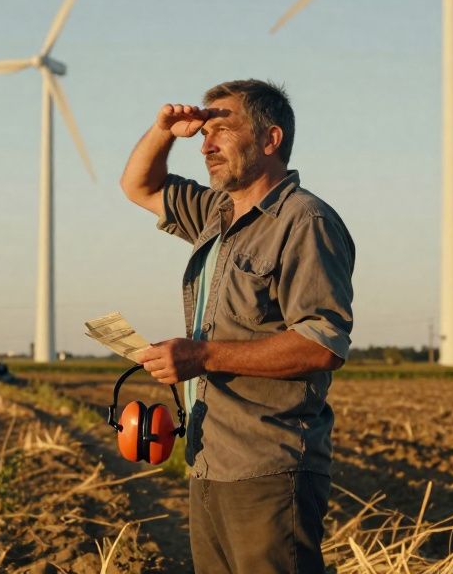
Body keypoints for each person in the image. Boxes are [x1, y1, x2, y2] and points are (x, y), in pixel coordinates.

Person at [120, 79, 354, 574]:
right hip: (210, 458)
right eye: (203, 135)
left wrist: (202, 357)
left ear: (270, 140)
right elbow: (138, 185)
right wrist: (164, 130)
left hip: (270, 465)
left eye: (221, 130)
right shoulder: (216, 213)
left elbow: (321, 344)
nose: (205, 145)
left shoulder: (305, 221)